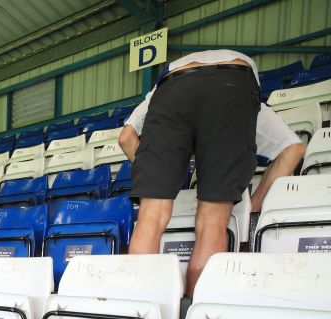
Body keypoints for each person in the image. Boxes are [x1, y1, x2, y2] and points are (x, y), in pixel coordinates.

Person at [118, 50, 305, 296]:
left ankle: (141, 316)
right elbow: (295, 148)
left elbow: (126, 137)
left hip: (173, 85)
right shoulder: (255, 109)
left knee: (150, 219)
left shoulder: (156, 94)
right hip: (232, 83)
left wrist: (158, 176)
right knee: (212, 224)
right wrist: (256, 202)